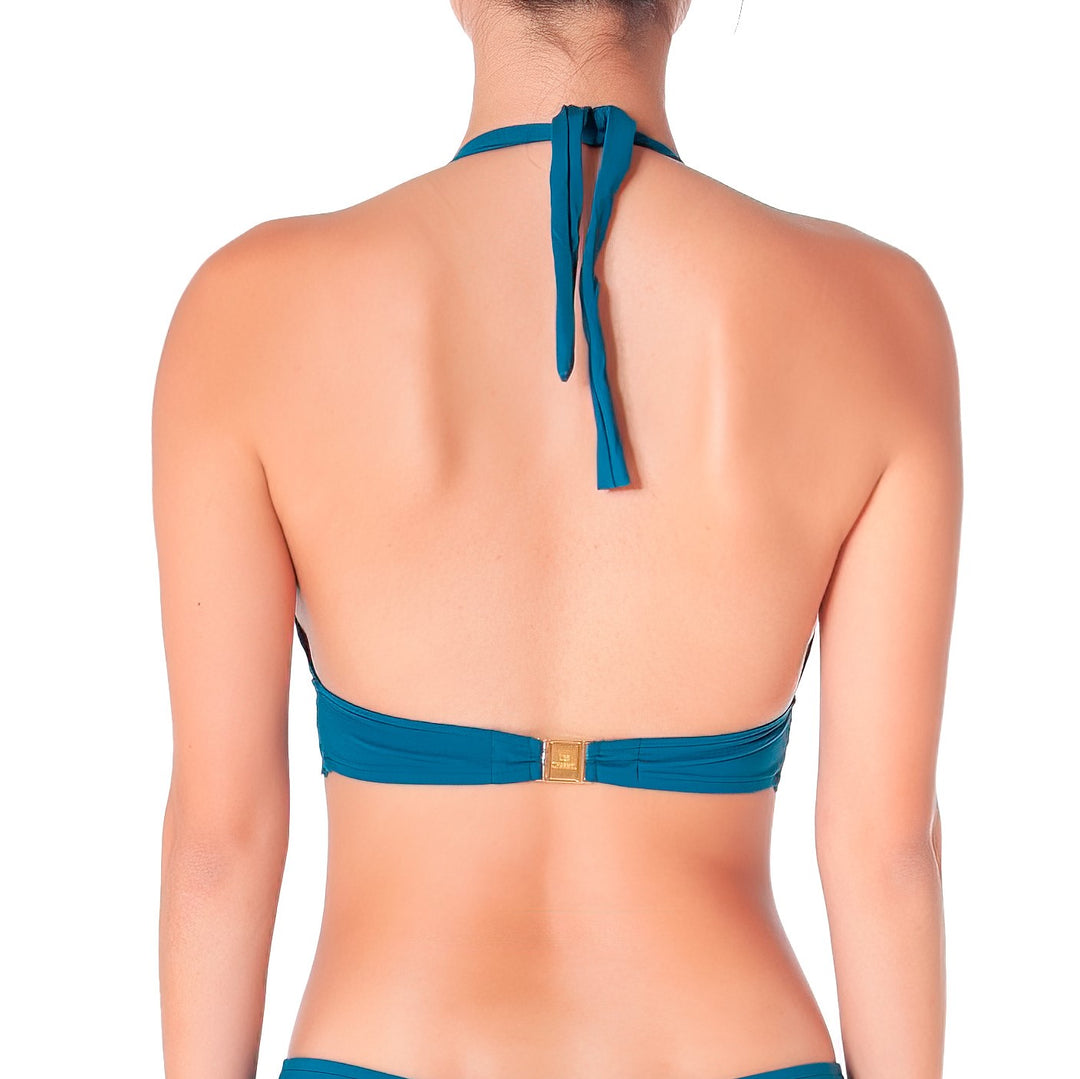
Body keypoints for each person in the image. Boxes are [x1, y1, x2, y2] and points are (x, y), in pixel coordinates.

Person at [153, 1, 961, 1077]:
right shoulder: (879, 313)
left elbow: (222, 843)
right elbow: (885, 851)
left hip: (390, 1039)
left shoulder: (247, 308)